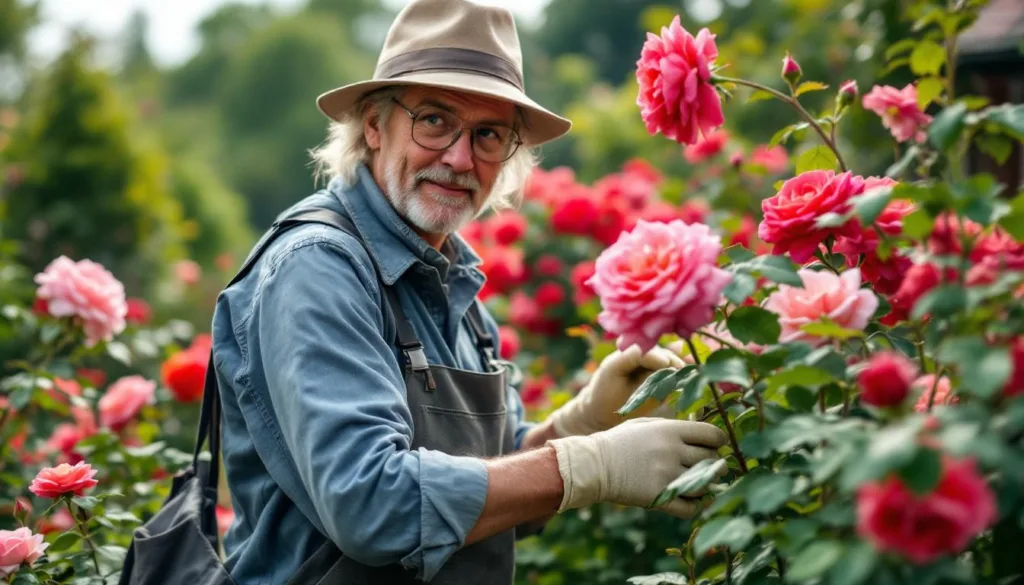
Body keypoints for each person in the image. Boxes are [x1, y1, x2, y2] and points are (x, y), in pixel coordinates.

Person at [209, 0, 729, 583]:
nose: (459, 158)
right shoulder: (319, 268)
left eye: (488, 134)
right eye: (435, 120)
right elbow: (372, 506)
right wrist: (590, 465)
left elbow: (494, 493)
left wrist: (582, 424)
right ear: (375, 125)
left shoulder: (450, 277)